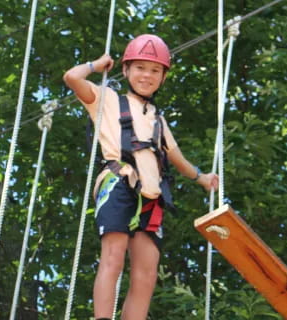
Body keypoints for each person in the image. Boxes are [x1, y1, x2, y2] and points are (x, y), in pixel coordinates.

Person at [63, 34, 219, 320]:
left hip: (151, 195)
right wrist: (97, 64)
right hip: (119, 182)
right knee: (113, 257)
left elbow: (177, 158)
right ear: (126, 70)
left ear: (162, 77)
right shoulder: (107, 99)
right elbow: (72, 77)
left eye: (154, 70)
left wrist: (202, 178)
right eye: (140, 68)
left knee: (146, 274)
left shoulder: (158, 118)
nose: (146, 75)